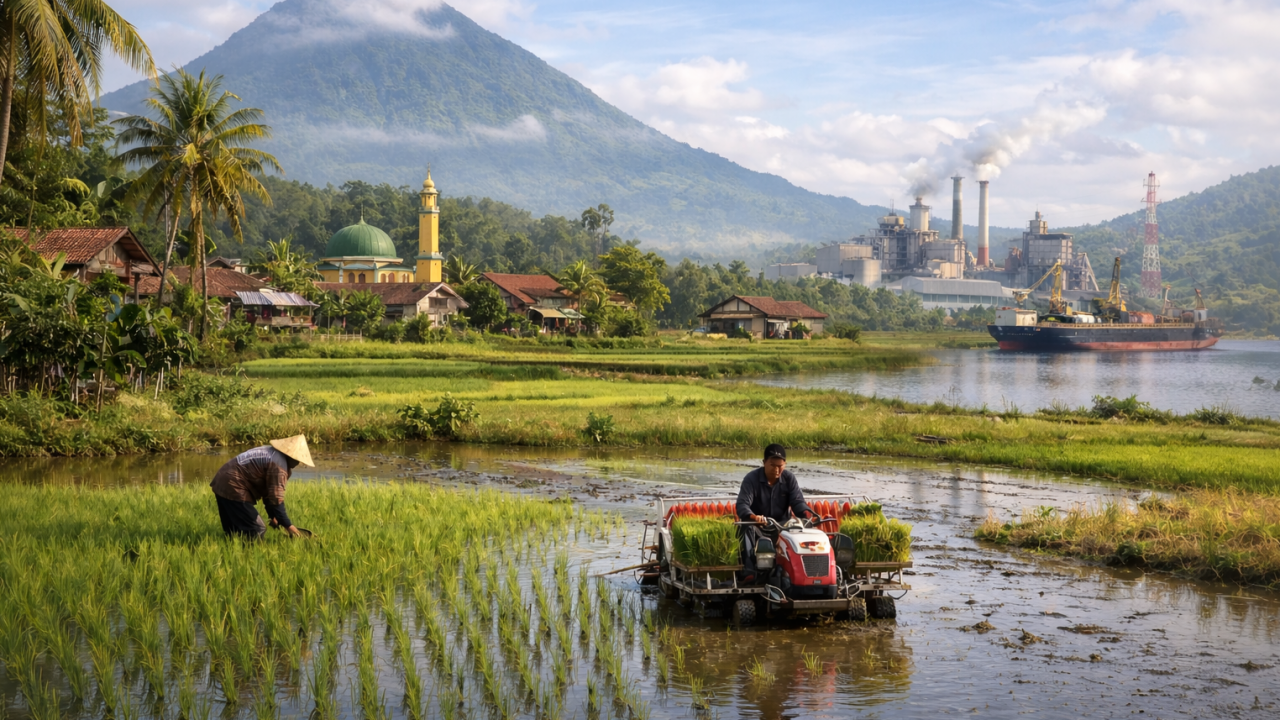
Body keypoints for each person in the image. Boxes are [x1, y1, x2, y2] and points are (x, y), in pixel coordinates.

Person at [210, 435, 314, 539]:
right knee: (257, 528)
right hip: (233, 485)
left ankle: (236, 552)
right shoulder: (278, 465)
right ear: (290, 456)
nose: (297, 463)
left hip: (222, 480)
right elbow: (276, 498)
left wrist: (273, 516)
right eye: (296, 459)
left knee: (234, 531)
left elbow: (268, 494)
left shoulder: (271, 452)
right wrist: (288, 526)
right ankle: (252, 553)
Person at [735, 443, 814, 578]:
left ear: (785, 464)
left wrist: (808, 515)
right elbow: (742, 505)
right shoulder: (751, 479)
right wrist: (754, 517)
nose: (777, 470)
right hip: (758, 527)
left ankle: (804, 573)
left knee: (806, 529)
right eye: (772, 465)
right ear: (764, 462)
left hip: (783, 528)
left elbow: (797, 502)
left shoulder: (789, 479)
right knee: (745, 527)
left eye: (780, 466)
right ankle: (748, 572)